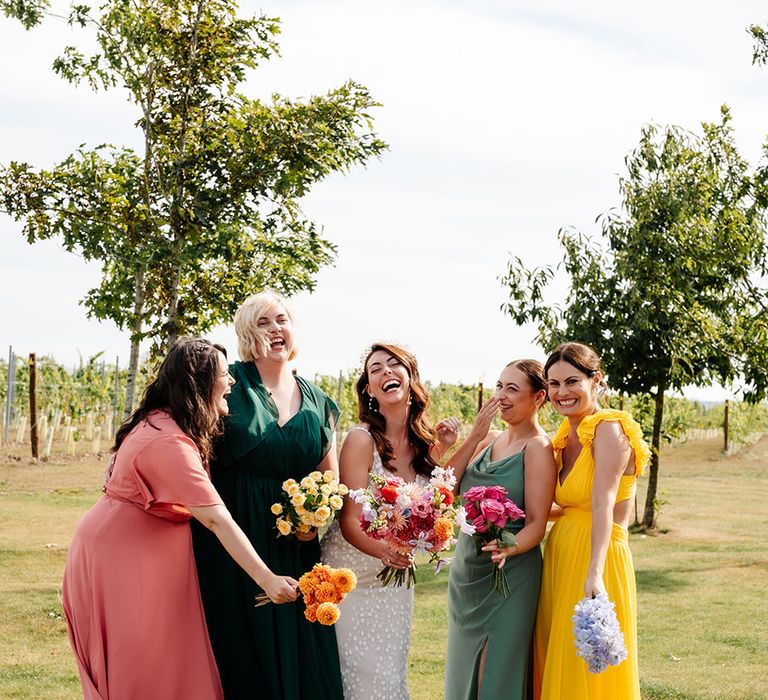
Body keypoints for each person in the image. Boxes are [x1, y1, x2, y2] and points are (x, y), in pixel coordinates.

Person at [62, 338, 298, 700]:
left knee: (167, 659)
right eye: (224, 375)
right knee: (143, 664)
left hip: (145, 556)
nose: (232, 382)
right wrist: (267, 579)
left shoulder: (166, 425)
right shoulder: (168, 443)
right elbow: (217, 519)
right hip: (124, 559)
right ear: (200, 383)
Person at [192, 290, 343, 700]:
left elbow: (330, 477)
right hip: (234, 536)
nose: (276, 329)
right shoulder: (228, 385)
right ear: (246, 333)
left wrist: (315, 522)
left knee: (303, 651)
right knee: (243, 649)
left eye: (281, 320)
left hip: (297, 544)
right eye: (263, 322)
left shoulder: (318, 398)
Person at [321, 342, 459, 700]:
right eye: (375, 369)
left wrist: (447, 446)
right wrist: (385, 551)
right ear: (369, 390)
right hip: (350, 579)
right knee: (359, 676)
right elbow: (350, 521)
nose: (386, 372)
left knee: (390, 674)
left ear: (410, 377)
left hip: (395, 584)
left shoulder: (425, 445)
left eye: (394, 364)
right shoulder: (360, 439)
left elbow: (429, 500)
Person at [533, 342, 650, 699]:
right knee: (558, 654)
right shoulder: (563, 438)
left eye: (572, 381)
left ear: (595, 380)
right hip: (560, 554)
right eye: (553, 384)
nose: (562, 392)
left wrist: (594, 574)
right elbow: (568, 506)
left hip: (597, 557)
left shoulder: (609, 429)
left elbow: (602, 505)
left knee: (587, 666)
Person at [444, 359, 556, 700]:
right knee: (463, 672)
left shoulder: (538, 448)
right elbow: (445, 488)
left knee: (492, 674)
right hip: (467, 573)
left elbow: (537, 523)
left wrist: (509, 547)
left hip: (509, 575)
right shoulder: (489, 437)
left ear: (538, 397)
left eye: (512, 389)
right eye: (499, 386)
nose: (501, 396)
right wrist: (474, 435)